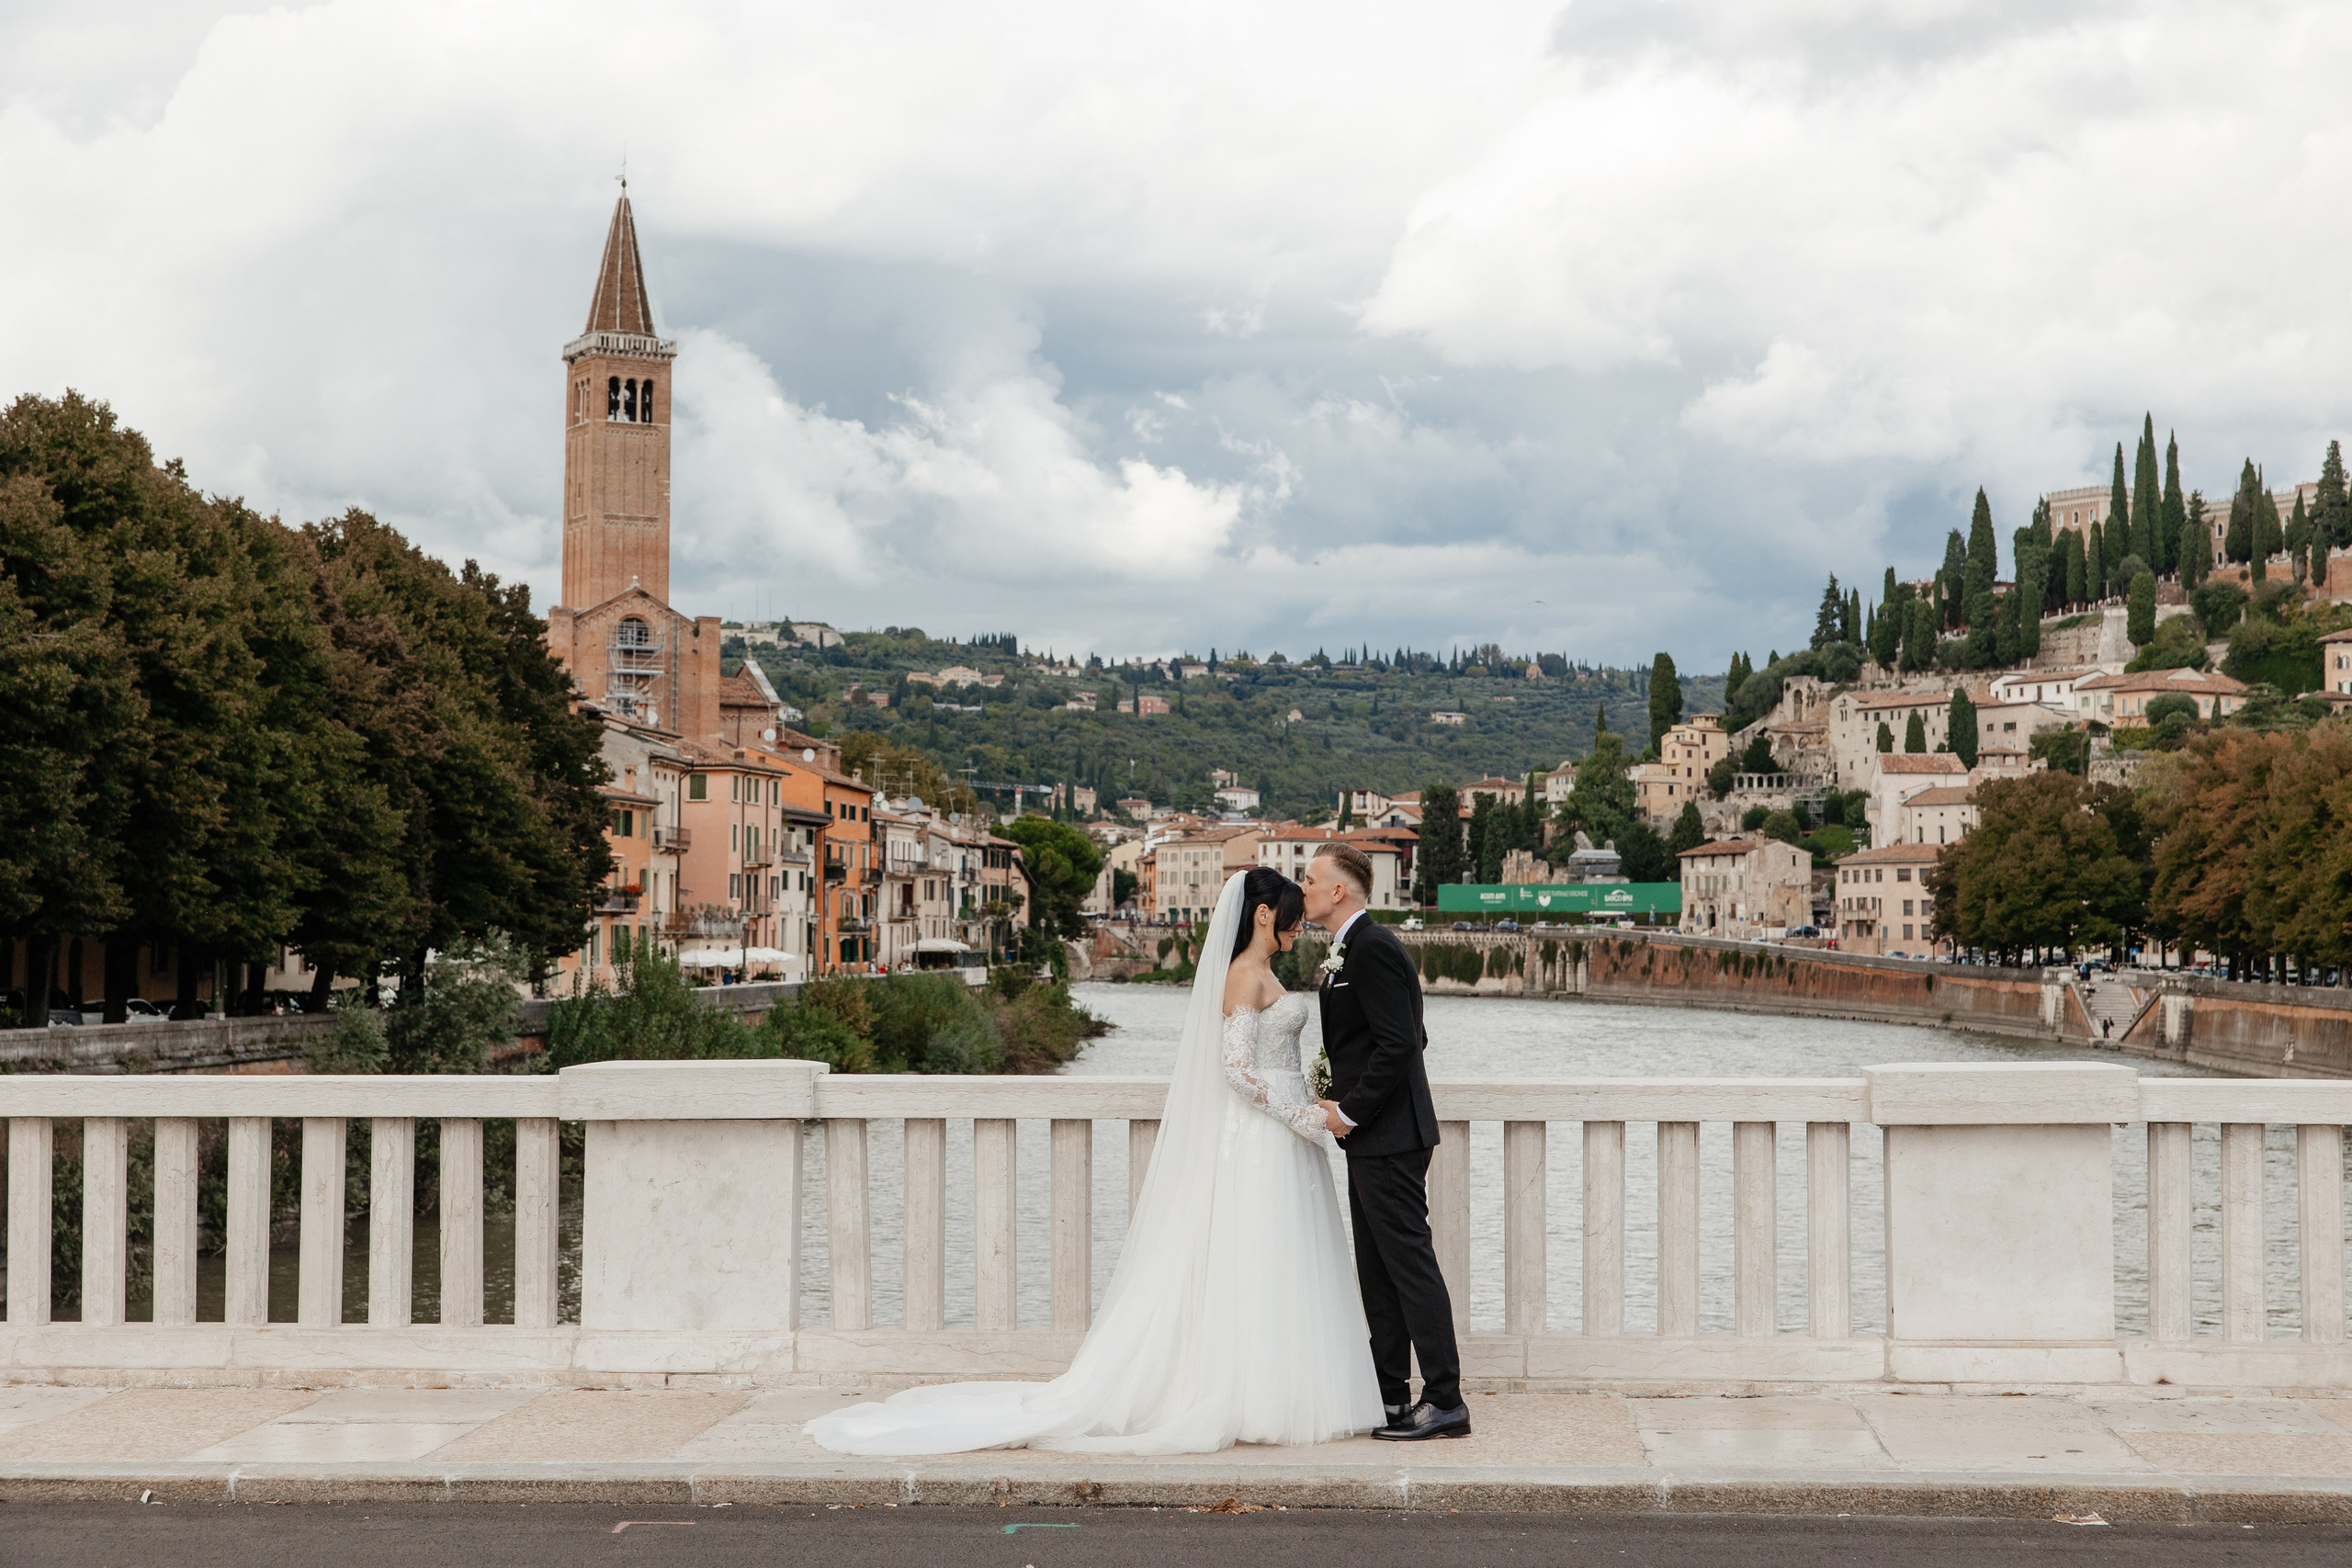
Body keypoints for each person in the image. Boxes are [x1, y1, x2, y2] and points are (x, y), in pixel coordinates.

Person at [805, 866, 1381, 1455]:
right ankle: (1248, 1395)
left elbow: (1270, 1061)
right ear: (1264, 915)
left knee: (1280, 1257)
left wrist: (1312, 1100)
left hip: (1280, 1137)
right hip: (1262, 1135)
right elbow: (1235, 1072)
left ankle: (1277, 1387)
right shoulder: (1242, 975)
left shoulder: (1265, 973)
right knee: (1252, 1256)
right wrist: (1302, 1116)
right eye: (1290, 915)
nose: (1298, 925)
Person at [1301, 841, 1468, 1441]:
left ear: (1338, 890)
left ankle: (1445, 1398)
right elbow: (1385, 1039)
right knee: (1378, 1270)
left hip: (1390, 1135)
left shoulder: (1371, 948)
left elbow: (1403, 1043)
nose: (1305, 889)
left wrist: (1349, 1108)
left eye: (1311, 879)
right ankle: (1391, 1394)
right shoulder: (1352, 949)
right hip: (1375, 1136)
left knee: (1409, 1264)